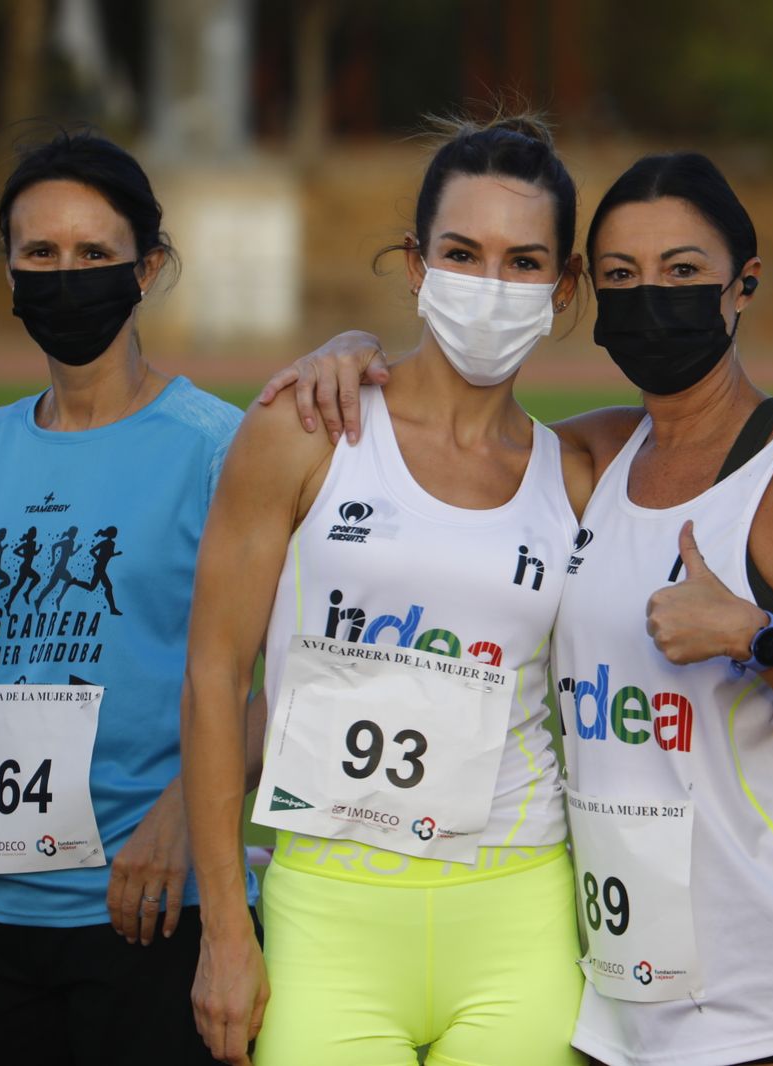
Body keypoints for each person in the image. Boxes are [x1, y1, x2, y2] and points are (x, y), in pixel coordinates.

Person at [269, 150, 773, 1066]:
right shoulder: (597, 459)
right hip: (624, 992)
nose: (652, 297)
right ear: (592, 293)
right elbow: (457, 444)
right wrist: (352, 355)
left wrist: (756, 637)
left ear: (744, 285)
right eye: (622, 276)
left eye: (683, 272)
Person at [0, 130, 258, 1065]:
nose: (66, 276)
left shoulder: (219, 449)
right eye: (41, 254)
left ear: (146, 269)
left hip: (145, 909)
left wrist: (183, 811)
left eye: (95, 255)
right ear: (9, 270)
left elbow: (273, 683)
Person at [182, 114, 593, 1066]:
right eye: (462, 252)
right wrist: (223, 935)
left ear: (563, 287)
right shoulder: (302, 429)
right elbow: (212, 679)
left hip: (518, 915)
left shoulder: (578, 476)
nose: (489, 287)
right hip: (327, 912)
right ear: (415, 264)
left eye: (524, 261)